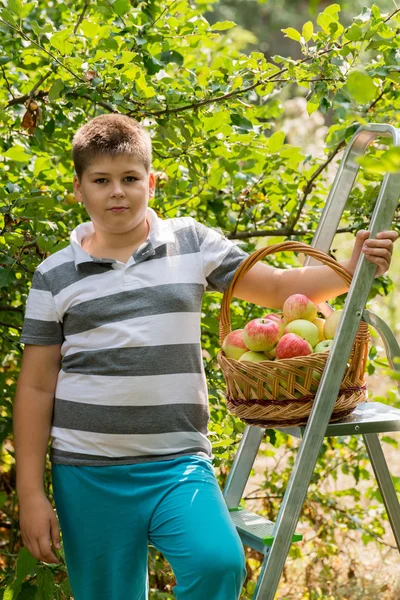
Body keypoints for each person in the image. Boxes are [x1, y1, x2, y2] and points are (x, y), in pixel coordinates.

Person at [13, 114, 398, 600]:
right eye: (101, 180)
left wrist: (348, 269)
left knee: (219, 563)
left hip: (178, 463)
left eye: (130, 178)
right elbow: (36, 386)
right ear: (79, 189)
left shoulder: (190, 243)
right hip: (88, 472)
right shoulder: (55, 275)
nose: (117, 192)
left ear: (151, 182)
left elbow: (277, 287)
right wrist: (31, 492)